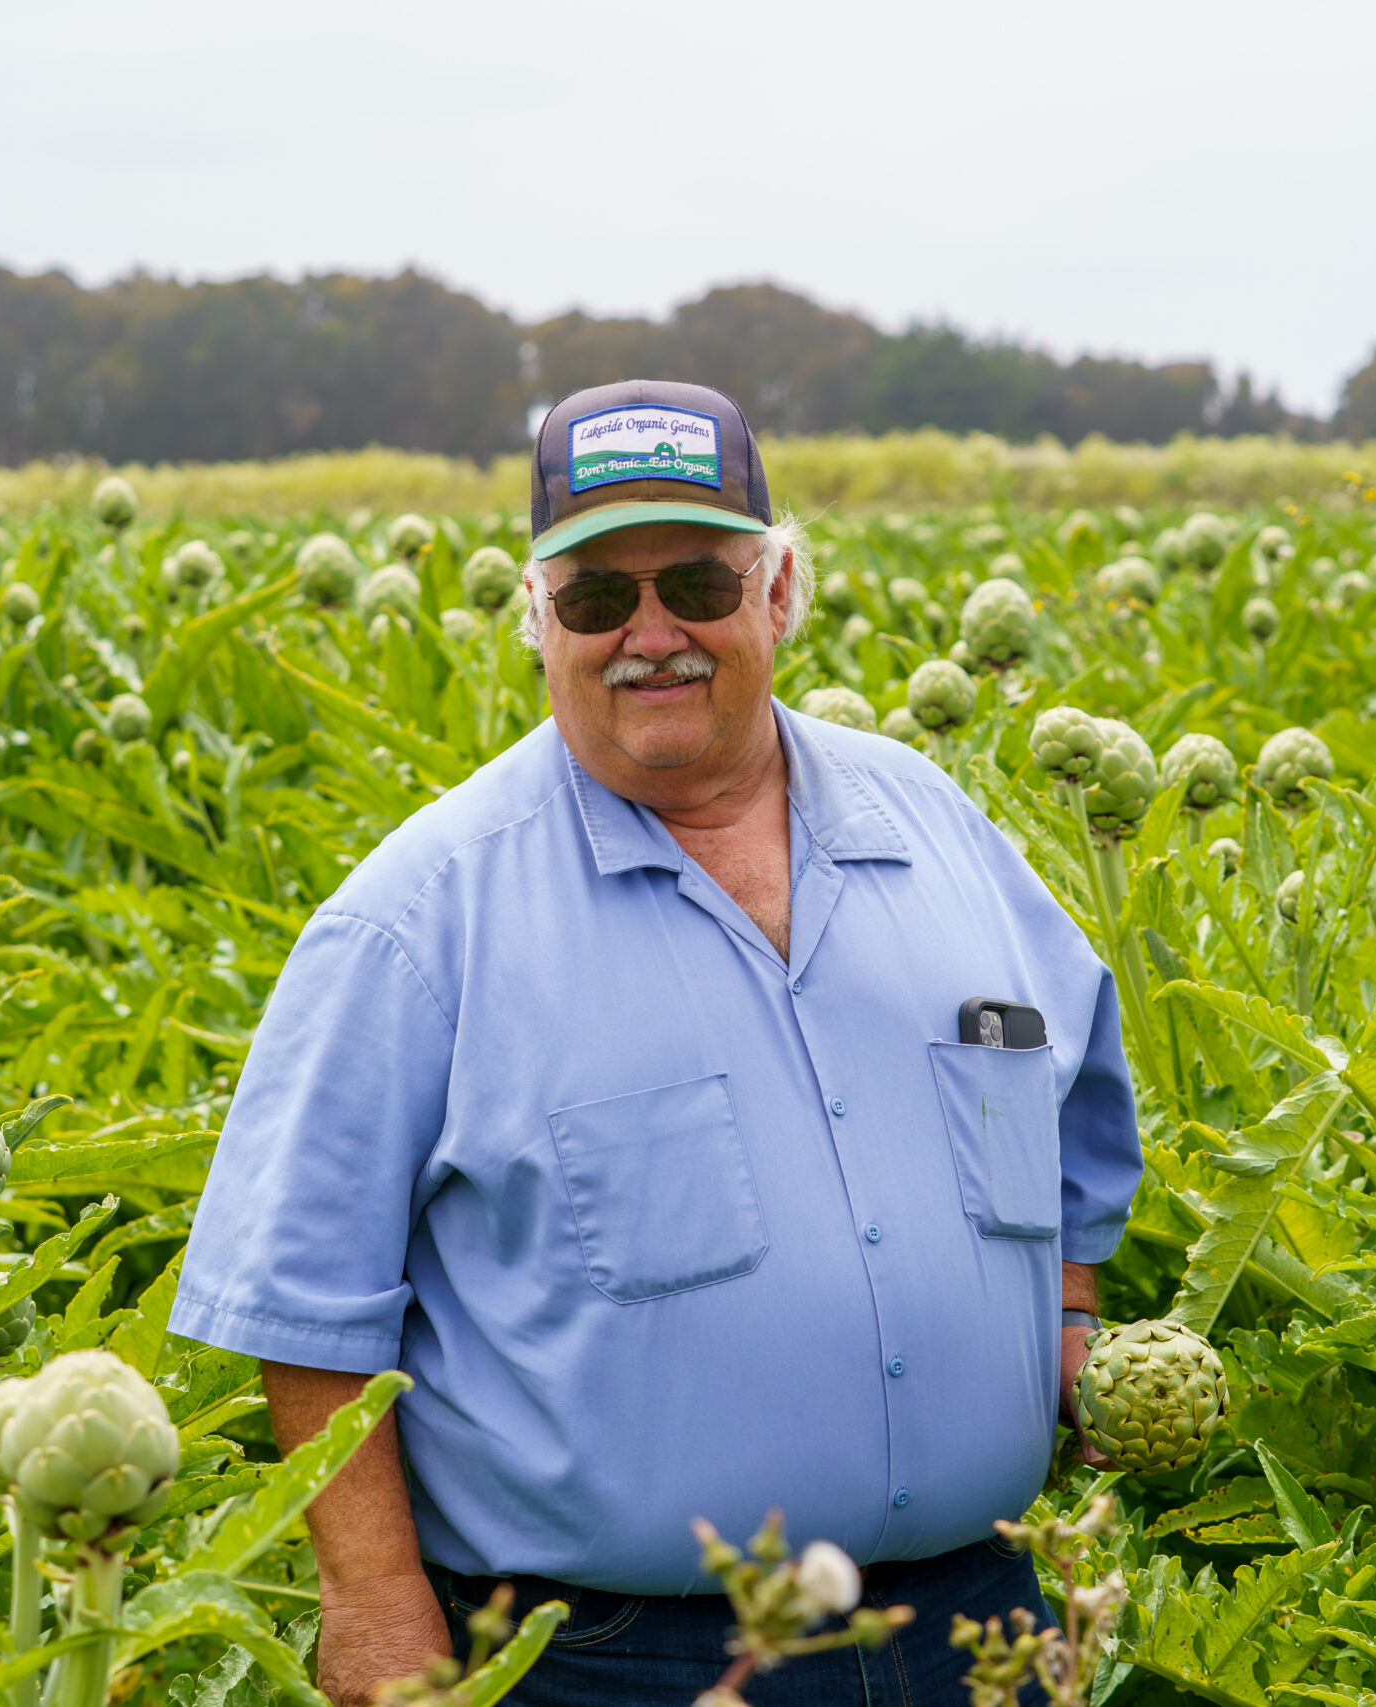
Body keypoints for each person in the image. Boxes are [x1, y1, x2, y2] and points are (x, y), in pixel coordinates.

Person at [170, 379, 1141, 1705]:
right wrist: (376, 1597)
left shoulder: (941, 829)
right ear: (537, 618)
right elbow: (307, 1298)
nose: (650, 634)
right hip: (621, 1661)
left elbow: (1076, 1086)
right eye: (595, 598)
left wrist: (1074, 1318)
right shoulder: (419, 918)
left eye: (696, 581)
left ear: (780, 591)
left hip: (983, 1624)